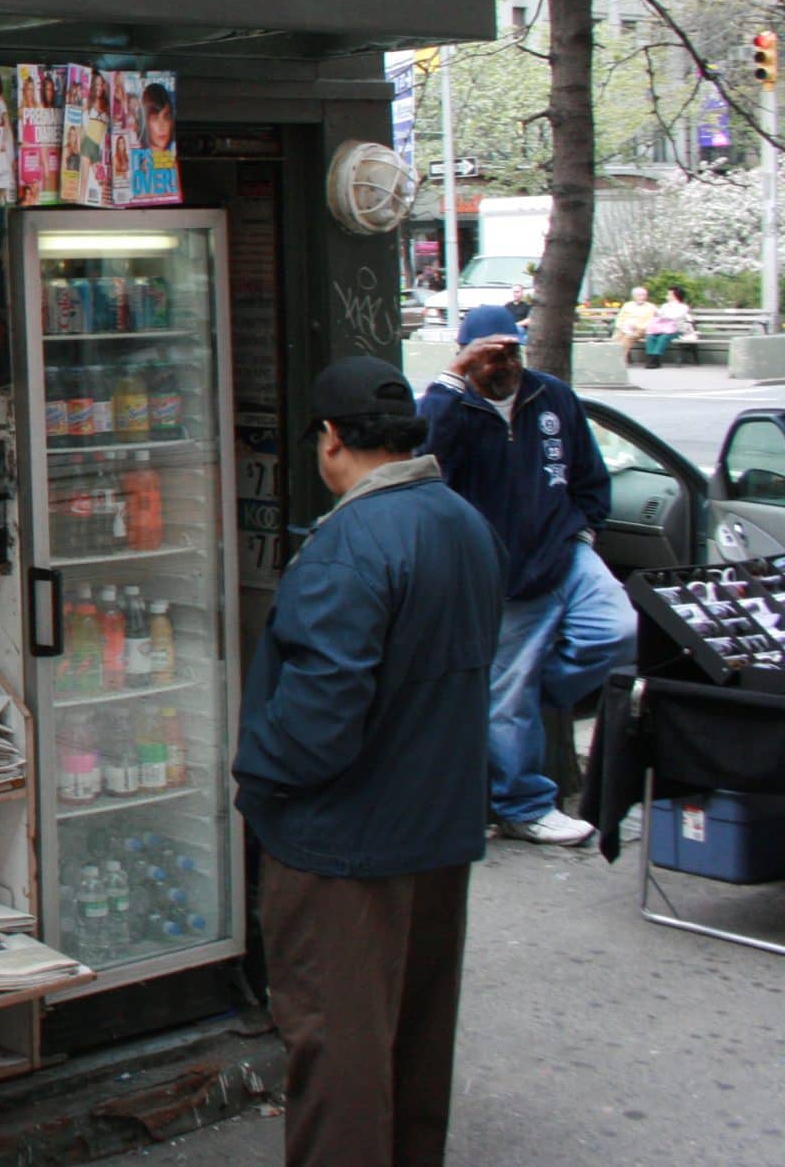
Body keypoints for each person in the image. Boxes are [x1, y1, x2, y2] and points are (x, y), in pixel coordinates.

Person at [236, 357, 505, 1167]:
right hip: (436, 833)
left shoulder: (349, 544)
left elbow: (319, 721)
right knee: (415, 1044)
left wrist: (257, 776)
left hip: (344, 847)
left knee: (339, 1058)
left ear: (331, 440)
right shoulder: (464, 522)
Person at [419, 305, 634, 844]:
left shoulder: (550, 396)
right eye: (491, 353)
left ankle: (531, 693)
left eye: (512, 350)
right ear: (468, 357)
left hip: (564, 549)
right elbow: (422, 462)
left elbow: (588, 472)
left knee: (621, 629)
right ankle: (522, 806)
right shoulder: (452, 406)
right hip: (502, 574)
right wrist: (452, 382)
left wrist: (585, 529)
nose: (505, 362)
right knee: (506, 699)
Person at [644, 284, 696, 367]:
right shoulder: (665, 306)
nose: (667, 296)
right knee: (650, 336)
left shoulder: (683, 307)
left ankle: (655, 359)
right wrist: (657, 313)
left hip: (676, 330)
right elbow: (659, 315)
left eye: (669, 294)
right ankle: (651, 358)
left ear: (675, 296)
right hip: (662, 329)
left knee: (663, 337)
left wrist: (663, 316)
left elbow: (674, 317)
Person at [612, 285, 656, 366]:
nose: (642, 297)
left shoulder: (651, 307)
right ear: (634, 296)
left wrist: (637, 327)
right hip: (624, 327)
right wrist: (620, 326)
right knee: (616, 337)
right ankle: (612, 359)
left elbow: (651, 321)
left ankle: (621, 361)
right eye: (639, 295)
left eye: (644, 295)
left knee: (628, 338)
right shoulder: (627, 305)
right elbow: (620, 317)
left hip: (640, 330)